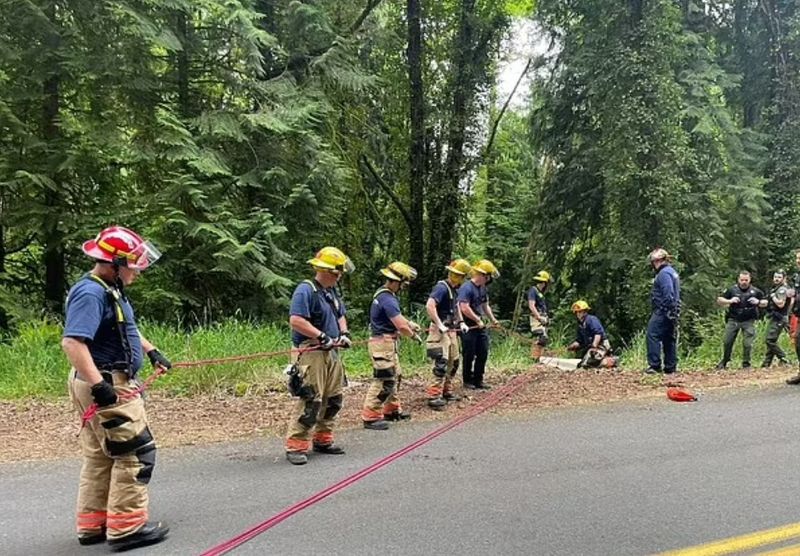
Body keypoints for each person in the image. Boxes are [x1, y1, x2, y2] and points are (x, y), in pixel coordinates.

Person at [62, 226, 170, 551]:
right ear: (113, 263)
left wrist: (151, 351)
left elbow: (125, 330)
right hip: (108, 384)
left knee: (101, 456)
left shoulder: (109, 289)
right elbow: (73, 342)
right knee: (136, 451)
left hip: (106, 379)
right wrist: (100, 386)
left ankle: (92, 525)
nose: (137, 270)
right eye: (132, 264)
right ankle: (126, 528)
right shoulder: (91, 292)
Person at [284, 247, 354, 466]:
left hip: (332, 352)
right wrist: (321, 336)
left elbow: (340, 314)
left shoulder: (331, 292)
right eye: (337, 272)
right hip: (312, 352)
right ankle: (296, 444)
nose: (340, 276)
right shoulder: (306, 290)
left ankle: (323, 439)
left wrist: (343, 334)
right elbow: (296, 320)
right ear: (327, 271)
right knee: (311, 398)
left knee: (333, 398)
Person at [362, 261, 421, 430]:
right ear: (396, 281)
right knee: (384, 379)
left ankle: (391, 410)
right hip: (382, 343)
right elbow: (400, 325)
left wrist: (410, 324)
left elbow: (398, 318)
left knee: (394, 376)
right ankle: (371, 416)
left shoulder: (385, 295)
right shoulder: (387, 298)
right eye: (403, 283)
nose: (404, 287)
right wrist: (413, 335)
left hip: (387, 342)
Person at [425, 259, 472, 410]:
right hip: (440, 331)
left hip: (451, 330)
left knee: (454, 362)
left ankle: (446, 390)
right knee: (441, 363)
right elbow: (430, 305)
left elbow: (456, 306)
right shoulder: (441, 287)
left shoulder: (454, 289)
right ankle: (434, 395)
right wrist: (439, 324)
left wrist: (461, 322)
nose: (458, 278)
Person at [458, 259, 500, 389]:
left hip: (480, 325)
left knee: (483, 351)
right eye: (487, 277)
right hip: (468, 325)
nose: (488, 280)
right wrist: (477, 320)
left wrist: (493, 320)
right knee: (469, 353)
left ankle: (478, 379)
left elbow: (485, 306)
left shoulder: (482, 288)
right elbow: (464, 307)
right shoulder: (466, 287)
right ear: (482, 275)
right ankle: (467, 380)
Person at [715, 270, 764, 370]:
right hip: (733, 319)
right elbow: (719, 300)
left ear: (750, 280)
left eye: (746, 280)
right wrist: (730, 301)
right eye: (742, 280)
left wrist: (758, 302)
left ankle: (746, 363)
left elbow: (766, 302)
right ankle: (725, 361)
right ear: (738, 279)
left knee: (747, 344)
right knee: (727, 341)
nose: (744, 282)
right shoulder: (732, 290)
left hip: (748, 320)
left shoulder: (755, 291)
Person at [645, 248, 681, 374]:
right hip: (672, 311)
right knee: (668, 338)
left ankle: (654, 365)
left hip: (663, 311)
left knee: (652, 334)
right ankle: (670, 366)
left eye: (654, 262)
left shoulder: (663, 274)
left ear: (657, 261)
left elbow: (668, 293)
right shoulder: (672, 272)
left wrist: (665, 309)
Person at [567, 300, 616, 368]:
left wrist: (594, 346)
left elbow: (598, 334)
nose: (578, 314)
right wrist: (571, 347)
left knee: (588, 363)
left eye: (580, 311)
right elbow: (579, 341)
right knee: (582, 364)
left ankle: (610, 360)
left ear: (585, 311)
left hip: (601, 345)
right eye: (577, 312)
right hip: (591, 348)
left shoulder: (591, 320)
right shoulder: (580, 325)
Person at [762, 270, 791, 368]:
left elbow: (781, 304)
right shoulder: (776, 288)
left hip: (780, 317)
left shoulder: (782, 289)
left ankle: (784, 358)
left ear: (784, 278)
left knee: (769, 340)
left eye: (779, 277)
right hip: (775, 316)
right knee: (772, 339)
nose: (776, 279)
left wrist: (773, 297)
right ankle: (766, 363)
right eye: (775, 277)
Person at [528, 270, 552, 361]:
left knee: (544, 339)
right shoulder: (533, 291)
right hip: (536, 318)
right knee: (540, 336)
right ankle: (534, 358)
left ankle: (539, 358)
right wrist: (538, 317)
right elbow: (531, 305)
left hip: (543, 317)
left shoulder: (540, 293)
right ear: (544, 283)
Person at [787, 251, 800, 384]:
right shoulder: (797, 276)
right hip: (798, 314)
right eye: (797, 258)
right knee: (798, 342)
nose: (798, 261)